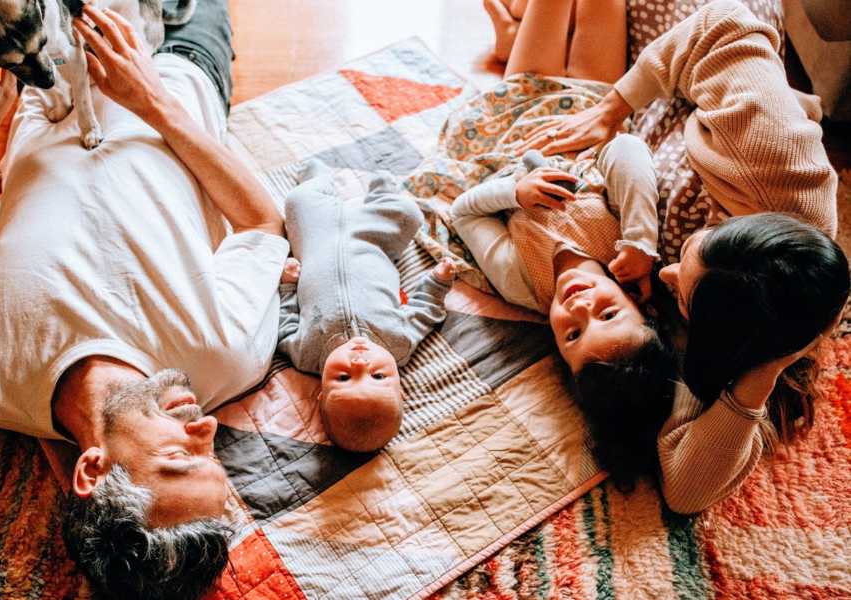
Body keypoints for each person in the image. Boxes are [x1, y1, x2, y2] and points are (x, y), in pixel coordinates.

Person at [0, 2, 285, 597]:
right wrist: (152, 97)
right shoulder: (225, 356)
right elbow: (261, 224)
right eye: (214, 456)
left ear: (93, 469)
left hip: (46, 85)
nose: (206, 427)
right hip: (179, 68)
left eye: (180, 459)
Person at [492, 0, 847, 512]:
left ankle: (518, 32)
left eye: (686, 294)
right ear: (740, 224)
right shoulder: (774, 162)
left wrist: (761, 374)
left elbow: (685, 494)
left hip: (645, 135)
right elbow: (720, 24)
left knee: (544, 68)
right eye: (690, 256)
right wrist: (612, 108)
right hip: (693, 49)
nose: (668, 271)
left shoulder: (742, 330)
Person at [411, 0, 674, 491]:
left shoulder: (520, 282)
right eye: (609, 314)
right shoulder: (624, 248)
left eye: (572, 335)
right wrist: (641, 240)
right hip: (591, 105)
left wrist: (514, 194)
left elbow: (465, 211)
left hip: (516, 111)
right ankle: (510, 31)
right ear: (641, 305)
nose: (578, 308)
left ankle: (512, 35)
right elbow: (626, 151)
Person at [277, 160, 456, 452]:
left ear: (321, 393)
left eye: (345, 377)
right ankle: (382, 189)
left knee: (298, 201)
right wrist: (438, 281)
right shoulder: (399, 343)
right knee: (409, 215)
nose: (360, 363)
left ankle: (316, 176)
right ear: (400, 386)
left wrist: (286, 284)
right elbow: (426, 311)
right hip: (372, 239)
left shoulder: (305, 354)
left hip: (316, 238)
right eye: (378, 376)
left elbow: (285, 322)